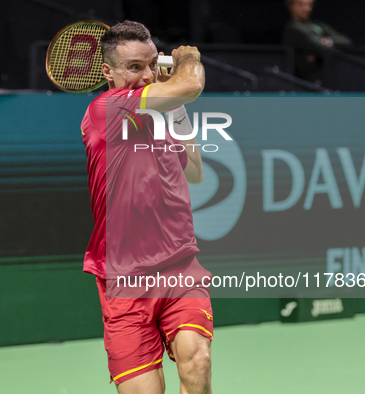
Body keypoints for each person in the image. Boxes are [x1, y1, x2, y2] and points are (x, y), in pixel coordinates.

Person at [81, 21, 213, 393]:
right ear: (107, 72)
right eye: (134, 67)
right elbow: (192, 83)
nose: (147, 76)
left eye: (152, 64)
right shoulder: (105, 110)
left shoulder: (159, 116)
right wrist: (188, 60)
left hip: (179, 266)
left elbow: (196, 172)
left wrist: (176, 109)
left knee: (198, 363)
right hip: (123, 280)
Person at [283, 0, 353, 83]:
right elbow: (321, 49)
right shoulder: (293, 28)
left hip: (328, 75)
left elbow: (346, 42)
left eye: (309, 5)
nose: (306, 9)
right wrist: (322, 43)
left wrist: (328, 41)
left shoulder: (318, 26)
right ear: (291, 6)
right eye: (301, 5)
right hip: (305, 80)